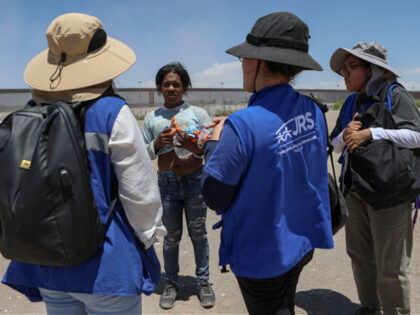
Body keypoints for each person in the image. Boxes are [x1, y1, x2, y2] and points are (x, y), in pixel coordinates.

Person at [1, 13, 166, 315]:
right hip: (106, 267)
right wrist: (147, 238)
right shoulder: (111, 111)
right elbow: (139, 193)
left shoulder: (30, 113)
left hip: (48, 263)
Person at [200, 12, 334, 315]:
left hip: (263, 252)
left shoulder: (242, 125)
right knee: (285, 301)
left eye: (244, 59)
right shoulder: (312, 109)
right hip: (301, 242)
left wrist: (214, 143)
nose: (243, 64)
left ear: (258, 62)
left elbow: (214, 195)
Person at [329, 42, 420, 315]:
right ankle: (370, 307)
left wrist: (372, 133)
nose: (344, 74)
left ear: (372, 69)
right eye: (342, 69)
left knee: (391, 266)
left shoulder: (395, 95)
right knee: (360, 256)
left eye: (350, 67)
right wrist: (345, 135)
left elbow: (416, 136)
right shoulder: (351, 101)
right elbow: (334, 146)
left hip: (390, 194)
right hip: (355, 190)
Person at [142, 62, 215, 309]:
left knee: (199, 235)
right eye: (166, 84)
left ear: (184, 87)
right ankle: (171, 283)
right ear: (160, 88)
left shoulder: (198, 113)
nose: (171, 88)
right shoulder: (152, 118)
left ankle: (203, 282)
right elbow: (142, 154)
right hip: (167, 185)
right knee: (171, 237)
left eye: (176, 84)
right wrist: (155, 143)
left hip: (195, 183)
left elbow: (212, 147)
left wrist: (197, 150)